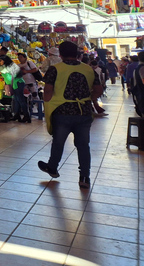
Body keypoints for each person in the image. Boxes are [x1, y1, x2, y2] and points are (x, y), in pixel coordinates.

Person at [38, 41, 103, 188]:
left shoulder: (55, 69)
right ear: (78, 54)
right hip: (83, 112)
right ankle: (84, 177)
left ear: (60, 54)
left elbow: (47, 91)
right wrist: (87, 99)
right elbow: (98, 90)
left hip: (62, 112)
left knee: (58, 142)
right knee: (83, 145)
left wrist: (49, 103)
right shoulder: (88, 69)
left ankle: (53, 168)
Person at [18, 52, 39, 122]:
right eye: (19, 57)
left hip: (31, 83)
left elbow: (35, 69)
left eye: (21, 57)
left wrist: (26, 71)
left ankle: (40, 112)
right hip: (24, 84)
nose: (19, 58)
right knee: (25, 99)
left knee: (35, 97)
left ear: (25, 58)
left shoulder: (29, 63)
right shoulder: (18, 65)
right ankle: (27, 114)